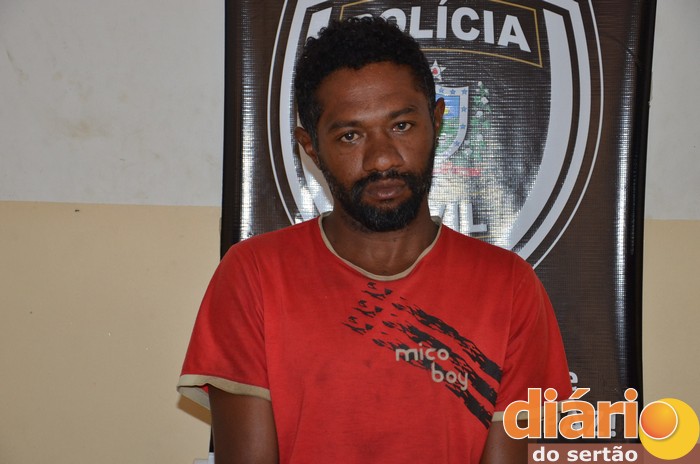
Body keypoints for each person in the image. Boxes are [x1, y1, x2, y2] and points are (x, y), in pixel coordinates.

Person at [178, 16, 571, 464]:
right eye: (350, 136)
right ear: (311, 146)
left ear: (436, 121)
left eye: (401, 126)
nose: (382, 159)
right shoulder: (253, 275)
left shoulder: (509, 286)